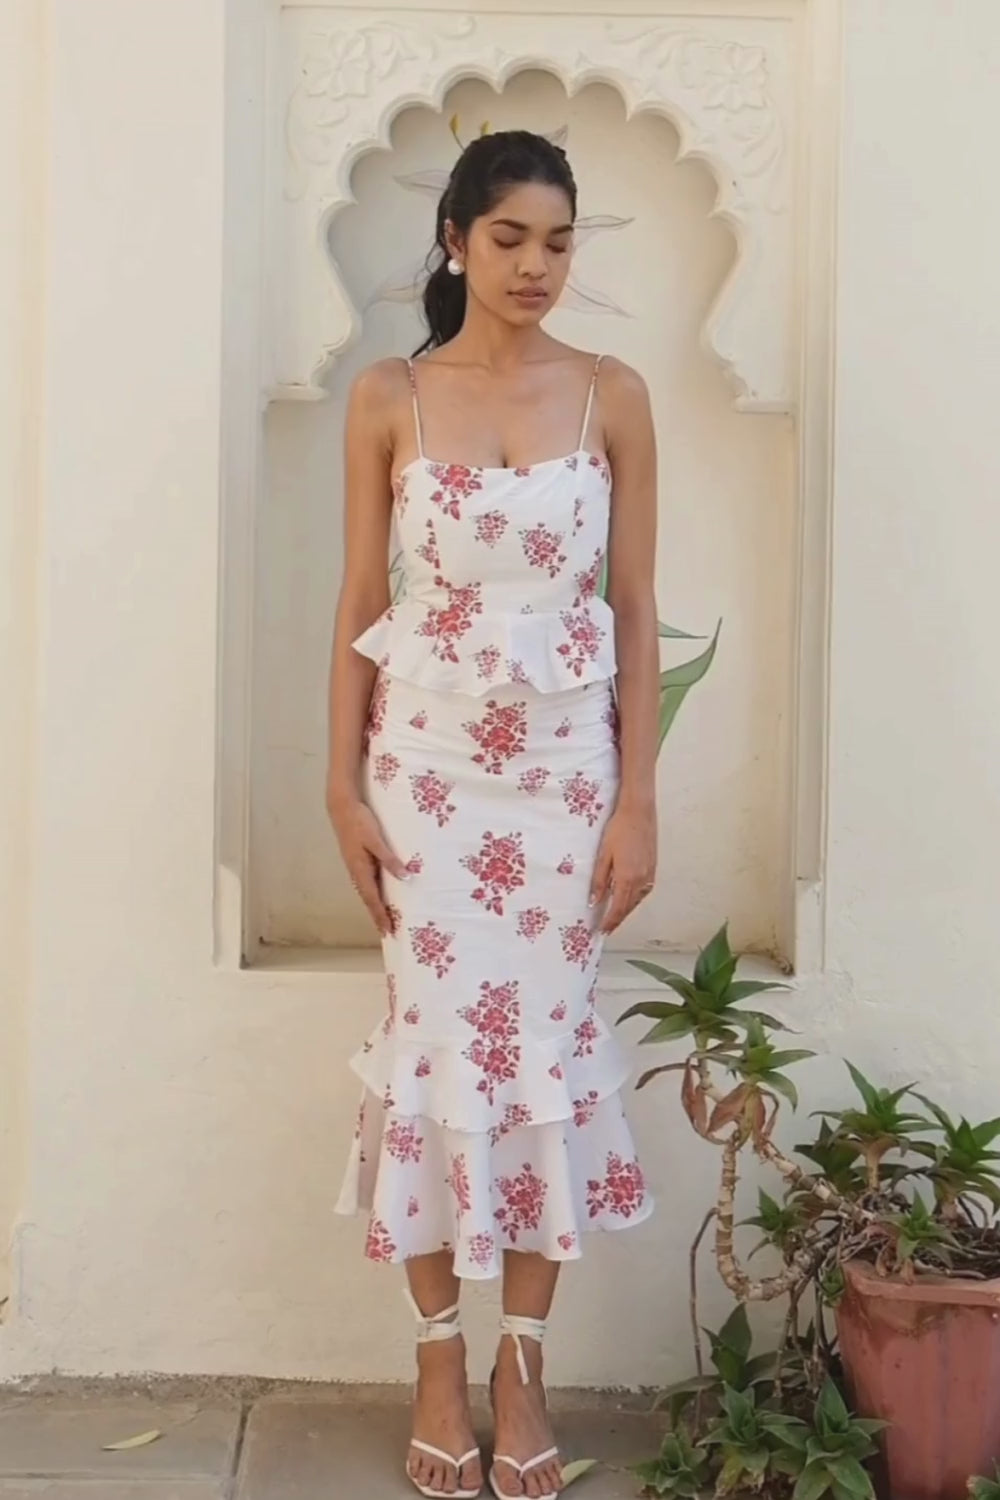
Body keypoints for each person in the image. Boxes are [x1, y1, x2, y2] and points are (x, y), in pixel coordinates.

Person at [327, 129, 660, 1500]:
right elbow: (360, 601)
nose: (537, 265)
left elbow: (635, 607)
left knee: (540, 1061)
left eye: (560, 242)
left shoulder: (614, 395)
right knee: (430, 1056)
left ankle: (523, 1367)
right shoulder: (387, 396)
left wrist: (641, 799)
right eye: (512, 238)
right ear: (458, 240)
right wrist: (338, 786)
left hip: (567, 784)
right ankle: (436, 1361)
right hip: (422, 780)